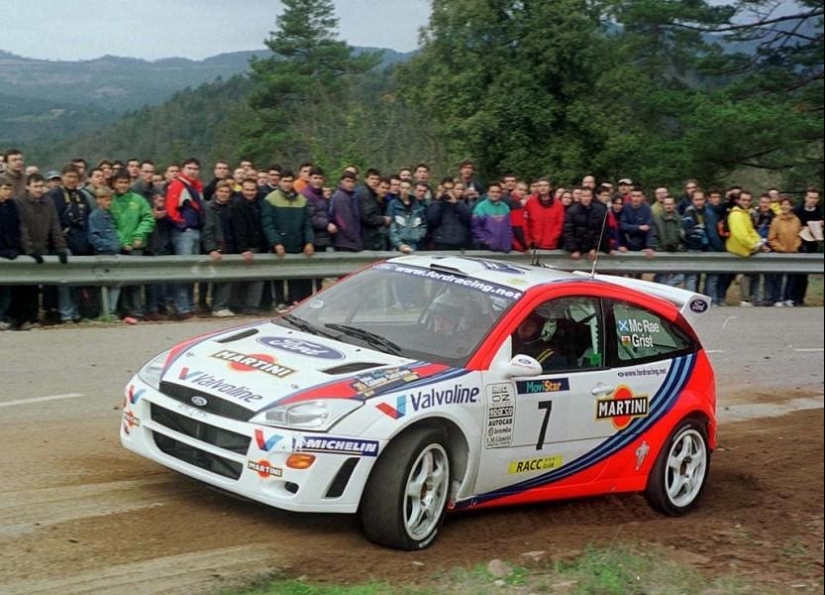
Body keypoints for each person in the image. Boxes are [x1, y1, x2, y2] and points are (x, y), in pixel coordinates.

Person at [165, 157, 204, 319]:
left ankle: (189, 305)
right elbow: (170, 210)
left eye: (195, 169)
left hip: (195, 231)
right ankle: (182, 308)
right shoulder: (178, 185)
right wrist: (183, 225)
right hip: (184, 233)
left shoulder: (195, 186)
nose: (192, 171)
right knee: (184, 271)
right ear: (183, 169)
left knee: (192, 272)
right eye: (189, 168)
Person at [87, 186, 126, 320]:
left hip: (114, 254)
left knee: (115, 283)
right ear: (98, 200)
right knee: (104, 284)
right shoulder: (95, 216)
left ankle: (111, 310)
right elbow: (94, 238)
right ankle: (105, 311)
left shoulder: (110, 215)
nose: (109, 202)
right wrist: (109, 246)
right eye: (105, 199)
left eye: (110, 199)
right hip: (103, 253)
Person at [768, 197, 802, 307]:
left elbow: (799, 236)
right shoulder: (776, 220)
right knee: (778, 276)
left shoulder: (796, 220)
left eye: (787, 204)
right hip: (780, 253)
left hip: (793, 252)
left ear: (791, 206)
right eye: (783, 204)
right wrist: (780, 248)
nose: (785, 207)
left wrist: (795, 246)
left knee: (791, 276)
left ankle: (788, 298)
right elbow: (771, 238)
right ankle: (777, 298)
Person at [472, 183, 512, 252]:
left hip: (504, 247)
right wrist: (484, 241)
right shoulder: (481, 207)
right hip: (487, 248)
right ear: (488, 193)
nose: (495, 194)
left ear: (501, 194)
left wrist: (509, 240)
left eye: (497, 192)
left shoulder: (505, 206)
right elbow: (476, 227)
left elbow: (509, 226)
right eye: (492, 192)